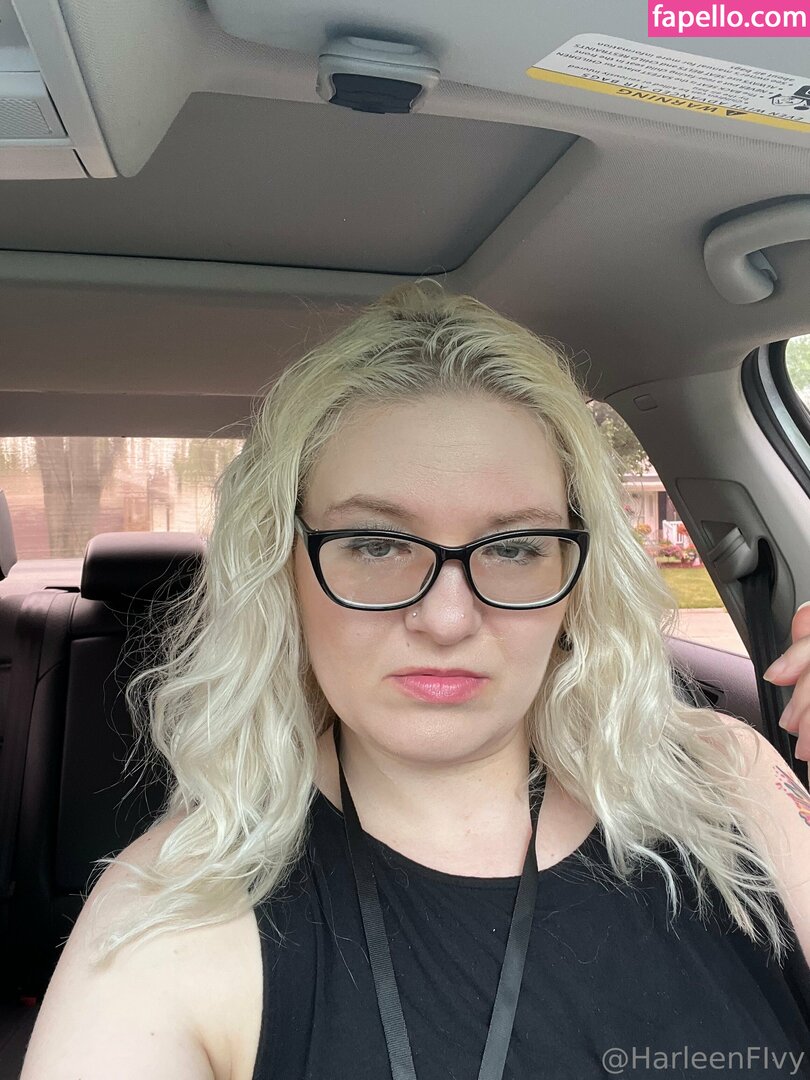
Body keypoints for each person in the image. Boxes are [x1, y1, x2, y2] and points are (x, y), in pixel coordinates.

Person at [21, 282, 810, 1079]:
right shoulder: (170, 921)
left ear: (576, 577)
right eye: (375, 544)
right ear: (282, 569)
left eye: (514, 548)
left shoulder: (723, 775)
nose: (447, 618)